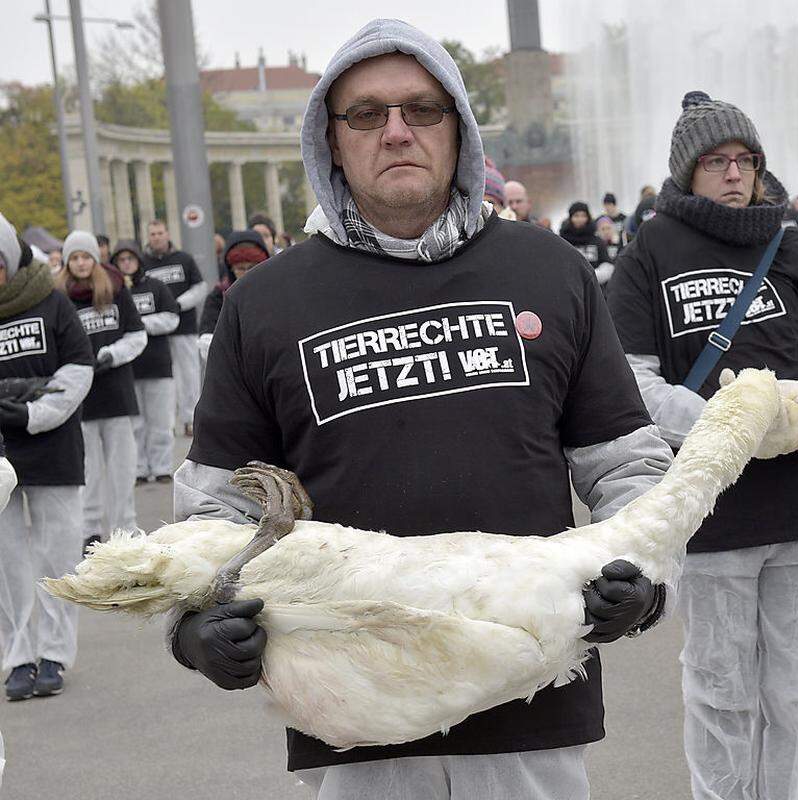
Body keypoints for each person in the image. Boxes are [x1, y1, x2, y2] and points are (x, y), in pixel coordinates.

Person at [172, 20, 674, 798]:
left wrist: (645, 575)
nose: (397, 132)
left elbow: (627, 463)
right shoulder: (266, 303)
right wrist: (193, 620)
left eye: (423, 110)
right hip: (356, 709)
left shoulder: (549, 269)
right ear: (330, 140)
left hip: (531, 702)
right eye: (366, 114)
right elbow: (216, 502)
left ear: (460, 130)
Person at [606, 89, 798, 800]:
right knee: (721, 692)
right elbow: (632, 382)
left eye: (744, 160)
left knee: (794, 695)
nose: (732, 173)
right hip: (713, 518)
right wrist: (732, 427)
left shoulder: (791, 243)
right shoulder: (649, 252)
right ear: (687, 171)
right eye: (715, 160)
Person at [0, 213, 93, 702]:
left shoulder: (51, 303)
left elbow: (79, 368)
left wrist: (34, 412)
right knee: (6, 563)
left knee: (57, 556)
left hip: (52, 450)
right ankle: (18, 657)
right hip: (0, 459)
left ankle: (55, 652)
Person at [57, 232, 146, 553]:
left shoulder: (116, 289)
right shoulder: (60, 298)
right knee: (89, 469)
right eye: (74, 258)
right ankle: (90, 528)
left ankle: (125, 526)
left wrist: (112, 353)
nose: (80, 263)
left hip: (117, 393)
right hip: (82, 398)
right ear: (67, 262)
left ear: (95, 259)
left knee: (122, 467)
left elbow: (137, 335)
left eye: (85, 256)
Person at [112, 240, 180, 484]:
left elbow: (172, 319)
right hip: (128, 370)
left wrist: (141, 325)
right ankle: (139, 469)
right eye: (121, 259)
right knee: (136, 425)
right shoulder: (114, 292)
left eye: (130, 258)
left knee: (161, 422)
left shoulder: (156, 286)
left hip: (158, 366)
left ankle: (162, 467)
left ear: (138, 261)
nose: (127, 263)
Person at [142, 219, 206, 435]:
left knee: (189, 375)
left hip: (184, 327)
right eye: (152, 234)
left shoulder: (183, 259)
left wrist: (178, 305)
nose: (157, 237)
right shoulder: (143, 264)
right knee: (165, 380)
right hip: (156, 332)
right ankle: (166, 423)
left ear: (167, 234)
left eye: (160, 233)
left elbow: (200, 288)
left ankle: (191, 420)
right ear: (148, 237)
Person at [198, 230, 271, 364]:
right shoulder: (218, 297)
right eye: (240, 268)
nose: (246, 274)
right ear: (231, 269)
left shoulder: (274, 293)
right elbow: (206, 340)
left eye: (252, 267)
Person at [559, 202, 613, 285]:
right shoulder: (563, 241)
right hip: (569, 287)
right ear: (571, 218)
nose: (580, 219)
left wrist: (592, 277)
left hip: (594, 287)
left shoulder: (597, 241)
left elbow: (607, 264)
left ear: (588, 217)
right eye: (576, 216)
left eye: (583, 216)